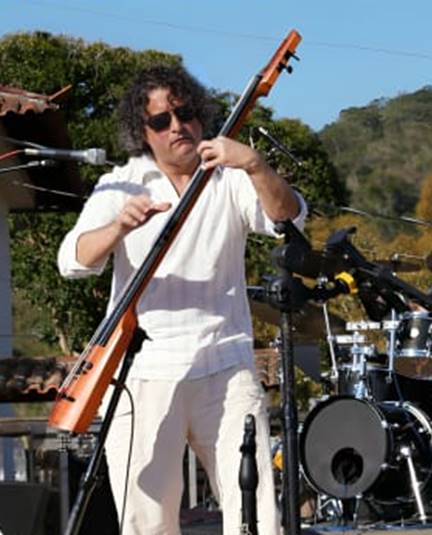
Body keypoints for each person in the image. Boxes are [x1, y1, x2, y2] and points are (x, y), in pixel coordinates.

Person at [57, 65, 305, 534]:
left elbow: (288, 220)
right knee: (146, 521)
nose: (177, 126)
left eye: (185, 113)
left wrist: (254, 164)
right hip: (144, 373)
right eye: (160, 120)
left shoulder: (230, 174)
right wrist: (118, 227)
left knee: (256, 515)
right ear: (142, 132)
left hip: (226, 365)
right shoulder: (122, 182)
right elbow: (72, 260)